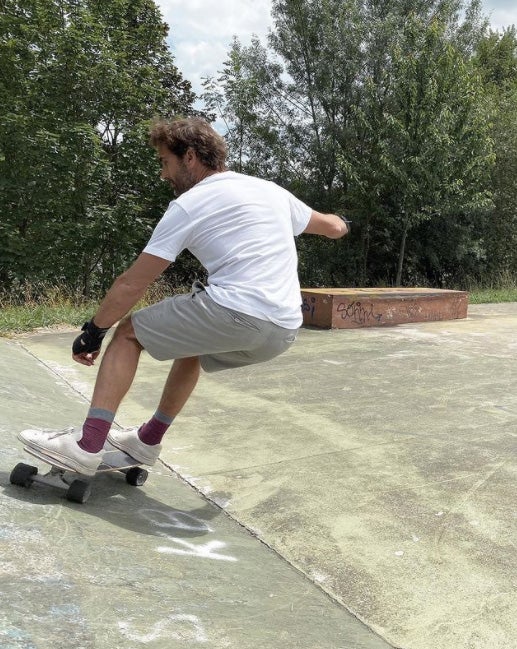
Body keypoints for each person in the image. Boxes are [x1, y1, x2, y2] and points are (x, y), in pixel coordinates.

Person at [19, 117, 349, 475]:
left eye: (165, 162)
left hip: (237, 311)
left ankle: (87, 445)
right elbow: (332, 227)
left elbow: (134, 282)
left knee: (128, 332)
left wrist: (95, 329)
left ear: (189, 156)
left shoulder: (191, 203)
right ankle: (147, 440)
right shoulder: (269, 190)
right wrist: (346, 222)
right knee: (191, 343)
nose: (164, 174)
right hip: (283, 328)